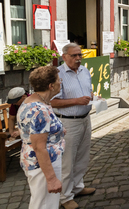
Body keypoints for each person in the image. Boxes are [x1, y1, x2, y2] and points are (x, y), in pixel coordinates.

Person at [51, 43, 95, 209]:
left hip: (85, 118)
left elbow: (85, 92)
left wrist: (90, 96)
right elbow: (52, 101)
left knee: (82, 157)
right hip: (68, 121)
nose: (78, 58)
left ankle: (77, 187)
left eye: (80, 55)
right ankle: (65, 197)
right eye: (74, 56)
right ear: (64, 57)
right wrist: (77, 100)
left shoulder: (84, 71)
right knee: (67, 161)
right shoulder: (57, 74)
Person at [17, 66, 64, 209]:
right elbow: (39, 147)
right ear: (51, 86)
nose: (60, 82)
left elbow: (39, 131)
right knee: (44, 205)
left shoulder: (36, 100)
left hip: (40, 162)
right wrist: (51, 179)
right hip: (43, 165)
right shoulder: (39, 110)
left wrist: (59, 131)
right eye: (58, 80)